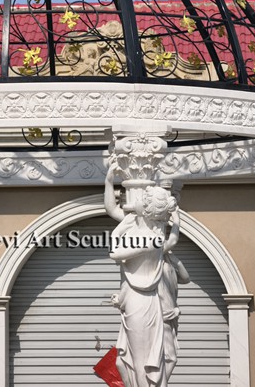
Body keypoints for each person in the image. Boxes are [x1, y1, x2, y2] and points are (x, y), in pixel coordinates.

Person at [105, 164, 180, 387]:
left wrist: (119, 229)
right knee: (124, 361)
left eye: (142, 200)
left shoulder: (151, 239)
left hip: (142, 302)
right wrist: (109, 182)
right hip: (133, 299)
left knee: (140, 361)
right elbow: (111, 209)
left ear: (145, 208)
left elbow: (115, 253)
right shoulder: (146, 229)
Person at [160, 251, 190, 382]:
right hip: (161, 314)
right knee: (170, 358)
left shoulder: (168, 267)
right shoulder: (155, 268)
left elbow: (186, 278)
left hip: (170, 313)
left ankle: (157, 383)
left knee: (167, 357)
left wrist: (175, 259)